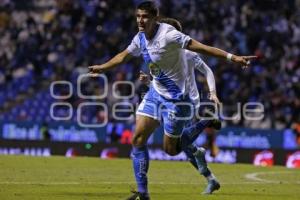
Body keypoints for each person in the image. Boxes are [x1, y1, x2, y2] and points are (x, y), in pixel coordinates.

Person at [89, 2, 256, 199]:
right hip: (154, 94)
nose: (140, 20)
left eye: (144, 17)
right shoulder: (140, 38)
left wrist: (232, 57)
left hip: (178, 102)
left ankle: (207, 122)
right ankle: (143, 193)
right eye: (138, 16)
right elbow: (123, 56)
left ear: (154, 18)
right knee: (137, 139)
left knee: (171, 150)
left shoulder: (170, 35)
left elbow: (202, 48)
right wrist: (103, 67)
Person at [138, 16, 222, 194]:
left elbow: (207, 70)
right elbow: (163, 84)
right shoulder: (162, 55)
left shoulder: (188, 53)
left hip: (186, 102)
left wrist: (212, 92)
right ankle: (210, 178)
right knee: (181, 145)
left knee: (177, 144)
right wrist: (148, 82)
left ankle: (206, 121)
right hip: (166, 102)